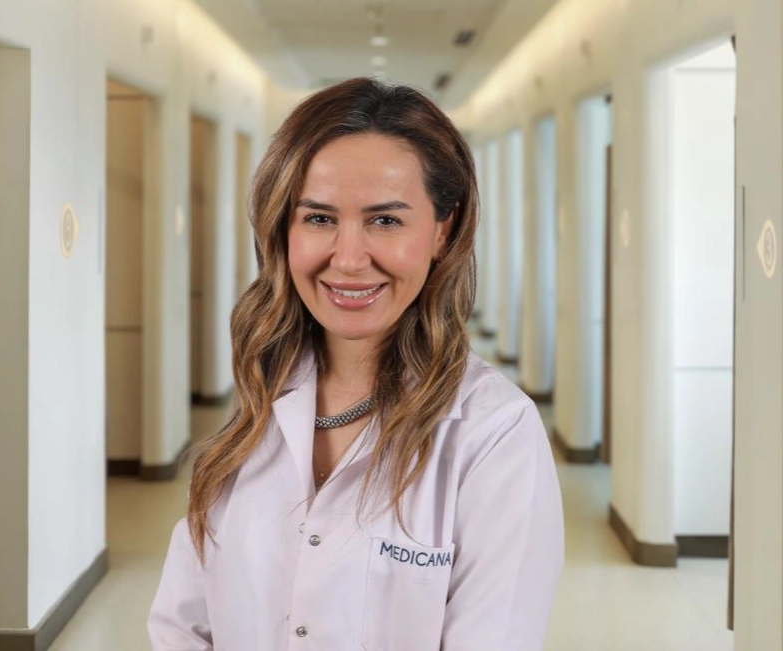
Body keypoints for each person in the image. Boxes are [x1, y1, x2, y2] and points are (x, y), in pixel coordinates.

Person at [148, 77, 564, 650]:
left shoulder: (494, 432)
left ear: (443, 231)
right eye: (319, 218)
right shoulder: (265, 396)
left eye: (385, 221)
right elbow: (182, 622)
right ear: (283, 228)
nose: (347, 260)